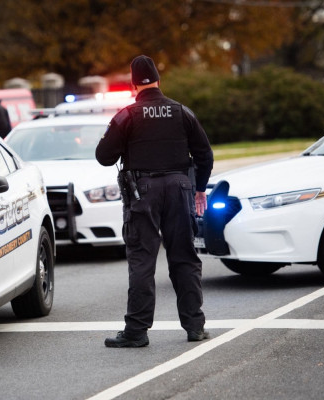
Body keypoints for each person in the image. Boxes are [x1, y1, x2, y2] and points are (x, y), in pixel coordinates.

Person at [96, 55, 214, 348]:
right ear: (159, 80)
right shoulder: (181, 112)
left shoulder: (127, 115)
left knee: (142, 261)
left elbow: (103, 156)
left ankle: (137, 331)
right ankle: (195, 326)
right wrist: (199, 189)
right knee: (184, 258)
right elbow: (205, 154)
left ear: (134, 84)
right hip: (179, 189)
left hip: (143, 193)